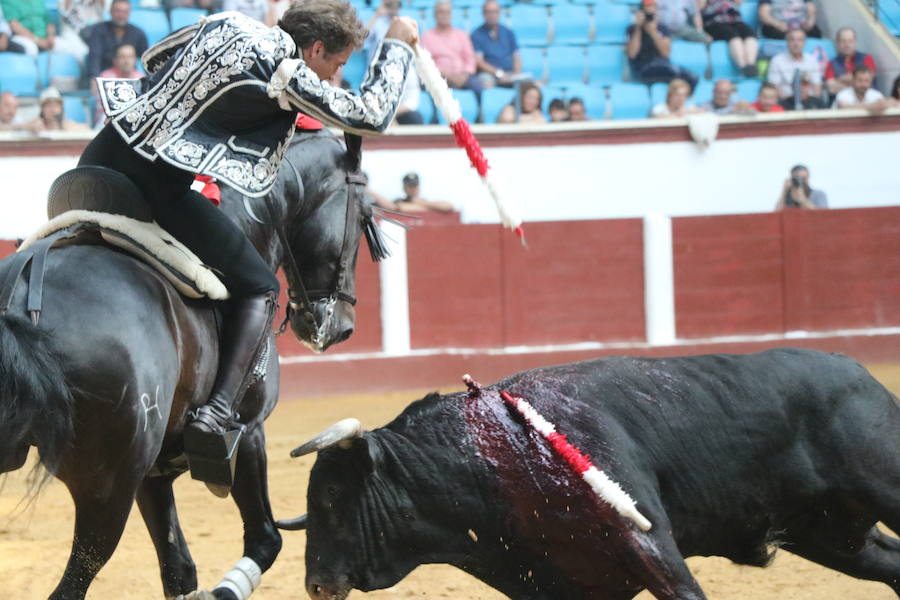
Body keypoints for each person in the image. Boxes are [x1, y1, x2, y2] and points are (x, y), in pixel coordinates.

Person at [83, 2, 417, 482]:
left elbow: (158, 56)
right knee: (261, 287)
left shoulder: (230, 22)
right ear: (315, 48)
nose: (335, 77)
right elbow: (370, 115)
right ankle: (216, 415)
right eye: (337, 65)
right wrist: (399, 45)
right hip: (152, 186)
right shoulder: (286, 73)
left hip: (97, 159)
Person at [626, 0, 699, 90]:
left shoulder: (662, 28)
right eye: (647, 8)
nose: (650, 12)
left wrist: (653, 33)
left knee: (692, 78)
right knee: (674, 73)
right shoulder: (632, 29)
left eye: (653, 8)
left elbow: (666, 53)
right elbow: (632, 54)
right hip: (644, 67)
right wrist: (638, 28)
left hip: (662, 65)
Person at [422, 1, 482, 98]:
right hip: (439, 77)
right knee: (431, 87)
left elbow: (470, 59)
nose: (444, 16)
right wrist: (447, 75)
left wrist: (464, 75)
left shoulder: (462, 35)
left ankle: (481, 112)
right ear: (435, 15)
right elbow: (426, 63)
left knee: (479, 86)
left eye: (447, 12)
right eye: (441, 12)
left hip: (463, 77)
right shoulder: (427, 37)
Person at [83, 0, 149, 79]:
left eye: (125, 12)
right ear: (110, 11)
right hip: (104, 77)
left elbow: (146, 60)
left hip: (130, 78)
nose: (121, 15)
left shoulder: (138, 33)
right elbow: (94, 57)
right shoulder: (99, 30)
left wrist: (150, 80)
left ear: (129, 13)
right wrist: (94, 79)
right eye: (118, 11)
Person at [0, 0, 83, 57]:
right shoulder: (8, 1)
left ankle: (61, 80)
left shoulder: (38, 1)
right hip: (23, 38)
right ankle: (33, 81)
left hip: (45, 38)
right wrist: (37, 40)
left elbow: (48, 22)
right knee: (31, 49)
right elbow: (14, 25)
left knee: (67, 47)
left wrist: (50, 37)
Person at [699, 0, 758, 78]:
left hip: (735, 20)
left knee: (750, 34)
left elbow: (739, 2)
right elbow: (700, 7)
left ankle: (751, 65)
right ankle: (743, 67)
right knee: (733, 36)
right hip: (714, 22)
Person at [470, 0, 521, 88]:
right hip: (489, 75)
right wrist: (499, 73)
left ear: (499, 13)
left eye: (495, 12)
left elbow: (516, 56)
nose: (492, 15)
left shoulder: (508, 32)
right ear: (483, 14)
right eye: (489, 12)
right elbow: (479, 62)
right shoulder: (476, 34)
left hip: (509, 73)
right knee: (485, 83)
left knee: (529, 85)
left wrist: (516, 75)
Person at [93, 43, 143, 125]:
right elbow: (102, 108)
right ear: (115, 60)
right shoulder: (105, 78)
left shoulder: (141, 79)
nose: (126, 61)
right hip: (108, 122)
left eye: (130, 57)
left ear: (135, 59)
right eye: (122, 57)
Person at [767, 28, 821, 100]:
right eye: (792, 40)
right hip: (786, 102)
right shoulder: (777, 61)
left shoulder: (812, 60)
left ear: (805, 42)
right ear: (787, 42)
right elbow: (774, 88)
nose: (796, 44)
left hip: (809, 101)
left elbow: (817, 87)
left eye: (800, 40)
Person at [824, 27, 877, 98]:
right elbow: (831, 88)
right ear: (837, 43)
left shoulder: (867, 58)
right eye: (843, 41)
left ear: (855, 42)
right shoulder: (832, 63)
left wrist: (839, 79)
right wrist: (857, 85)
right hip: (840, 103)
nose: (847, 45)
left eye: (850, 41)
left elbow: (868, 82)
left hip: (867, 100)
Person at [23, 86, 89, 133]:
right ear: (42, 109)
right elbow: (14, 127)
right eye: (48, 105)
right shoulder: (36, 123)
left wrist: (67, 129)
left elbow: (88, 129)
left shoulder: (66, 124)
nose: (53, 109)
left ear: (61, 108)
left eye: (56, 105)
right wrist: (28, 127)